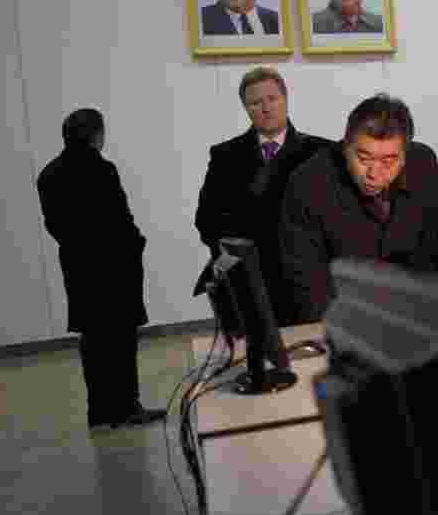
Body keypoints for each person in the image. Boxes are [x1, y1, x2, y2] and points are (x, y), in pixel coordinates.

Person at [36, 109, 165, 429]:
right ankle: (126, 407)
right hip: (114, 269)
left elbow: (54, 225)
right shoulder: (101, 169)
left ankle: (99, 411)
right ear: (97, 134)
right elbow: (119, 219)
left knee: (92, 341)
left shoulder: (48, 174)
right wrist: (137, 243)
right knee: (121, 340)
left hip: (79, 268)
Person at [281, 94, 438, 323]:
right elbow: (307, 285)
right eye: (363, 157)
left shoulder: (424, 165)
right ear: (345, 146)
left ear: (405, 156)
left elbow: (430, 258)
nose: (374, 173)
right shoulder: (307, 183)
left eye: (388, 161)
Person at [194, 67, 331, 325]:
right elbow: (206, 219)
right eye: (256, 102)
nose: (266, 108)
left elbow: (335, 220)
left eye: (272, 99)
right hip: (247, 280)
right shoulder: (226, 155)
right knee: (252, 359)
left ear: (285, 99)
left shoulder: (321, 152)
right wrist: (234, 258)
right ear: (246, 108)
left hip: (302, 282)